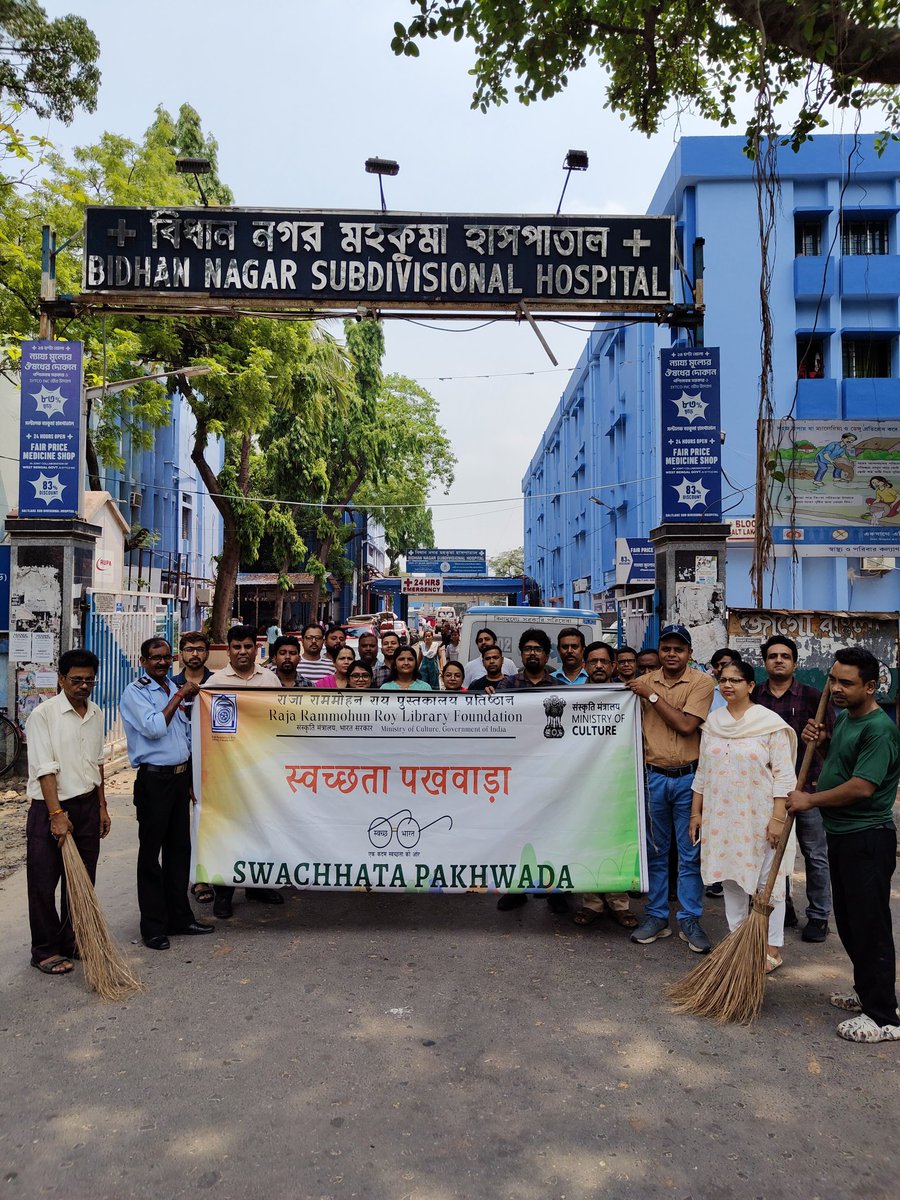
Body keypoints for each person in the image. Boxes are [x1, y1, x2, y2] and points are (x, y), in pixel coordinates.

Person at [787, 647, 900, 1043]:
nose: (835, 688)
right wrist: (820, 742)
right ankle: (868, 992)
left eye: (846, 683)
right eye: (833, 679)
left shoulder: (879, 729)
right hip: (845, 835)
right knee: (851, 922)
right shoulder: (848, 719)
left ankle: (885, 1016)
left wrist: (811, 800)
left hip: (867, 837)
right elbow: (842, 765)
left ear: (871, 687)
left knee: (870, 925)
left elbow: (861, 786)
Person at [689, 660, 798, 973]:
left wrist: (778, 819)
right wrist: (696, 813)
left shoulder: (768, 723)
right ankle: (738, 940)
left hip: (760, 816)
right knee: (732, 878)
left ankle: (772, 946)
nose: (728, 685)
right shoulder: (713, 723)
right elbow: (703, 772)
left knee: (768, 883)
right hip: (722, 816)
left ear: (751, 686)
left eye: (736, 680)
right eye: (723, 679)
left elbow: (784, 776)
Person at [120, 638, 214, 950]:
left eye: (164, 657)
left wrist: (190, 775)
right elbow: (155, 728)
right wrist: (181, 695)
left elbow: (185, 733)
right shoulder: (137, 691)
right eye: (154, 658)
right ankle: (153, 927)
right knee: (151, 856)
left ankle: (180, 918)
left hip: (177, 779)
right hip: (153, 781)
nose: (161, 663)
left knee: (179, 851)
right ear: (143, 660)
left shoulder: (169, 687)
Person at [626, 624, 715, 953]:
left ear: (689, 653)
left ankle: (690, 919)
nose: (672, 654)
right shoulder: (642, 681)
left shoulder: (702, 682)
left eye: (679, 649)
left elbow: (686, 725)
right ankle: (657, 916)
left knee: (690, 853)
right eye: (667, 649)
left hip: (691, 780)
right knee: (656, 852)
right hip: (653, 777)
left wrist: (650, 695)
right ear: (659, 651)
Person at [25, 649, 110, 975]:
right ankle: (45, 950)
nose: (83, 686)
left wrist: (102, 806)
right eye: (76, 680)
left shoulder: (97, 712)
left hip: (88, 806)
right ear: (61, 679)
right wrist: (56, 814)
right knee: (44, 883)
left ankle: (74, 939)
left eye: (89, 680)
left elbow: (98, 763)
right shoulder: (43, 715)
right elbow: (45, 769)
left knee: (82, 880)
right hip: (51, 809)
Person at [753, 634, 833, 942]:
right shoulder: (755, 697)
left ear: (794, 662)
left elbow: (831, 742)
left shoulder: (813, 697)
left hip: (808, 786)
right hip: (769, 790)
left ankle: (819, 915)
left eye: (785, 656)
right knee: (774, 852)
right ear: (765, 663)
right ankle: (782, 907)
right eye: (773, 656)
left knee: (814, 853)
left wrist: (821, 736)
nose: (778, 660)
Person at [204, 625, 284, 917]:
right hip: (228, 769)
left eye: (248, 647)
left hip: (263, 768)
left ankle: (257, 884)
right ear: (228, 650)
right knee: (230, 830)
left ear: (256, 649)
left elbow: (280, 721)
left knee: (261, 827)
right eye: (236, 647)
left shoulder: (270, 678)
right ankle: (224, 893)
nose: (242, 652)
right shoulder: (215, 682)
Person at [573, 642, 638, 930]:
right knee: (586, 839)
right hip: (581, 781)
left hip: (618, 779)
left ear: (613, 666)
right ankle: (591, 903)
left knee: (617, 840)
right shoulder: (571, 696)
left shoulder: (628, 695)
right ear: (585, 665)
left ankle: (619, 902)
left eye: (604, 661)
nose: (598, 666)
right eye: (593, 661)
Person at [172, 631, 215, 904]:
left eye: (200, 649)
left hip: (213, 761)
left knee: (209, 820)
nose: (195, 654)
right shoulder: (168, 683)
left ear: (207, 653)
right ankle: (186, 877)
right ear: (181, 654)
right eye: (189, 649)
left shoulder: (218, 683)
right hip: (178, 761)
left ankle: (206, 876)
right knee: (179, 825)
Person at [708, 646, 742, 713]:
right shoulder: (710, 694)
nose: (719, 669)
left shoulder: (750, 693)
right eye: (715, 666)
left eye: (724, 664)